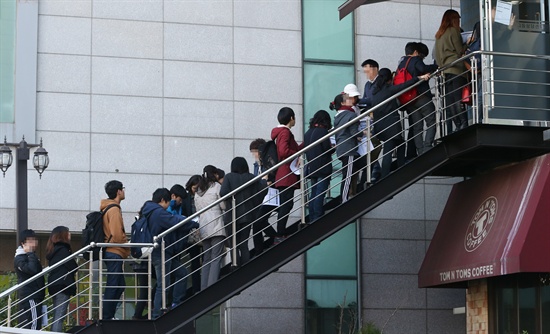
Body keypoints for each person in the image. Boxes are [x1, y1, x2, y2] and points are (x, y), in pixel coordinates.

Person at [142, 188, 197, 318]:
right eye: (167, 202)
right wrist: (193, 222)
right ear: (162, 200)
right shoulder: (158, 213)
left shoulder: (150, 211)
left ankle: (175, 304)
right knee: (163, 284)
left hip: (163, 251)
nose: (168, 206)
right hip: (160, 251)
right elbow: (174, 222)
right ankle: (157, 314)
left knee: (182, 273)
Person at [368, 68, 430, 178]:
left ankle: (400, 168)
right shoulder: (389, 89)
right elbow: (405, 85)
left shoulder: (375, 91)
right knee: (388, 151)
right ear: (389, 78)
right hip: (391, 126)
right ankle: (385, 177)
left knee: (401, 143)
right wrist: (419, 77)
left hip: (379, 126)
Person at [220, 157, 268, 264]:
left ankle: (235, 266)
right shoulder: (251, 177)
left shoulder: (228, 177)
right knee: (243, 244)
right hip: (247, 216)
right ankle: (245, 267)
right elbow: (262, 191)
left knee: (234, 245)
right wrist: (264, 181)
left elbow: (223, 193)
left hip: (232, 216)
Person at [397, 42, 438, 156]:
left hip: (409, 100)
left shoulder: (401, 63)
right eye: (421, 56)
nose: (421, 58)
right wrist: (435, 66)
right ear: (415, 52)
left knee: (417, 127)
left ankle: (420, 151)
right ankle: (427, 147)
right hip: (421, 96)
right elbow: (423, 68)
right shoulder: (415, 60)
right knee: (431, 121)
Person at [270, 107, 303, 242]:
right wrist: (296, 154)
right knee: (286, 204)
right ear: (291, 118)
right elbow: (284, 152)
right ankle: (280, 233)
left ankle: (280, 233)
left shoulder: (280, 133)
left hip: (283, 174)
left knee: (286, 204)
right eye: (294, 117)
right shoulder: (285, 132)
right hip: (286, 173)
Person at [434, 9, 468, 132]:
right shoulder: (454, 31)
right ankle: (464, 123)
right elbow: (460, 51)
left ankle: (458, 124)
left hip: (445, 71)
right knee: (458, 98)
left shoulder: (439, 35)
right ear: (453, 19)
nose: (459, 22)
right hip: (457, 69)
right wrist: (468, 43)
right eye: (457, 19)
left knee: (451, 100)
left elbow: (436, 56)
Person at [100, 180, 129, 320]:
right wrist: (126, 242)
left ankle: (108, 315)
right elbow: (117, 234)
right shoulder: (114, 209)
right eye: (122, 189)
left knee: (120, 284)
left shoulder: (109, 208)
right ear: (118, 191)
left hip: (112, 251)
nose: (124, 191)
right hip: (114, 251)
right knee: (113, 284)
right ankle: (107, 316)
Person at [194, 165, 226, 289]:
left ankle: (204, 287)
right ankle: (211, 287)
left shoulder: (198, 191)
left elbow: (197, 210)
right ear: (214, 174)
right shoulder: (217, 186)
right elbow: (223, 205)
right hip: (216, 224)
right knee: (216, 257)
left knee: (206, 259)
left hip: (204, 226)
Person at [303, 110, 334, 222]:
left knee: (314, 194)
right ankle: (317, 217)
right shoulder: (323, 132)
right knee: (320, 194)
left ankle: (312, 217)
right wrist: (334, 147)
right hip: (323, 167)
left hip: (312, 167)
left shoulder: (308, 133)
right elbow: (327, 149)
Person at [46, 226, 78, 332]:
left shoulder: (53, 250)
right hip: (63, 285)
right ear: (63, 235)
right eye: (68, 233)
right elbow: (73, 266)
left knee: (56, 316)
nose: (70, 235)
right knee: (59, 317)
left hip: (55, 285)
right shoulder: (63, 250)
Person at [14, 229, 45, 330]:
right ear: (23, 243)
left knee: (36, 323)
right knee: (34, 324)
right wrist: (30, 254)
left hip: (36, 294)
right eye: (30, 241)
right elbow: (32, 270)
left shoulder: (31, 256)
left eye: (35, 240)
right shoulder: (20, 258)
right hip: (30, 295)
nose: (34, 243)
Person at [333, 93, 360, 202]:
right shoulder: (351, 115)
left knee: (348, 174)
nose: (351, 100)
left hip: (341, 148)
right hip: (349, 149)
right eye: (348, 99)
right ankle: (344, 200)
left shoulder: (338, 116)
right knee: (348, 176)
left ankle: (347, 197)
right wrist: (363, 134)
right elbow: (354, 133)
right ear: (342, 103)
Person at [184, 175, 202, 294]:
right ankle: (196, 288)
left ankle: (204, 285)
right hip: (191, 232)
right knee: (195, 262)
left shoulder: (203, 196)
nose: (196, 190)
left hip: (204, 229)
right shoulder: (186, 199)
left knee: (207, 260)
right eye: (195, 188)